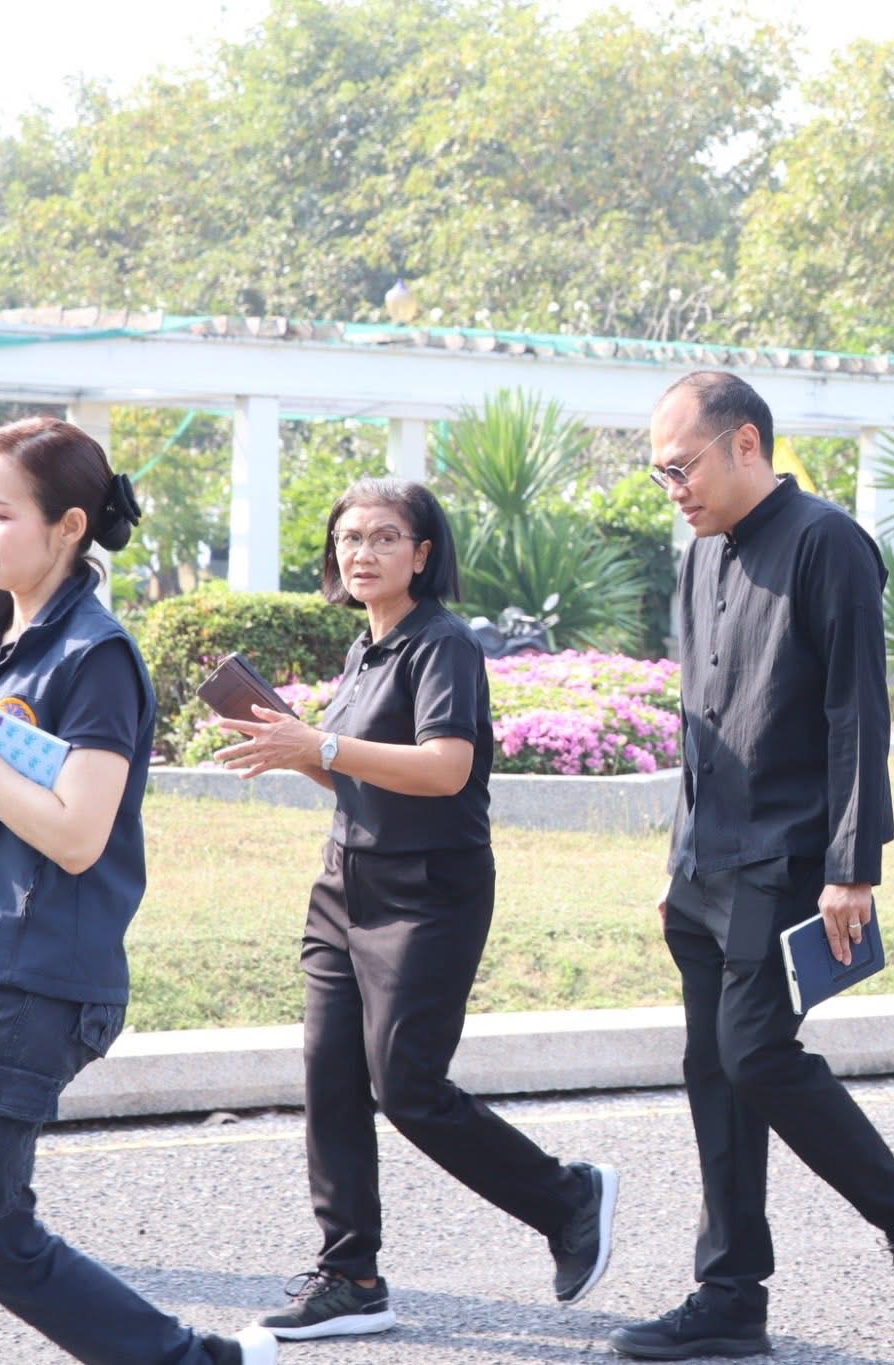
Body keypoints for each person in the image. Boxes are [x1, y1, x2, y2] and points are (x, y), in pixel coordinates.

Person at [610, 372, 894, 1361]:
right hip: (703, 861)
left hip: (789, 854)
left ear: (747, 445)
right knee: (711, 1071)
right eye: (657, 474)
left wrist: (852, 868)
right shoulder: (699, 554)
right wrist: (677, 856)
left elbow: (854, 713)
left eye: (681, 467)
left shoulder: (826, 543)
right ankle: (729, 1297)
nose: (671, 488)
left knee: (757, 1053)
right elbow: (700, 715)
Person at [219, 478, 616, 1340]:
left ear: (423, 554)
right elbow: (358, 768)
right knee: (330, 1079)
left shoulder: (445, 645)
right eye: (349, 537)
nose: (362, 553)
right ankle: (350, 1272)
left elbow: (443, 767)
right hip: (343, 884)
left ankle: (567, 1196)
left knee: (408, 1085)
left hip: (428, 890)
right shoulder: (368, 649)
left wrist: (319, 742)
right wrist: (297, 750)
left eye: (385, 538)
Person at [0, 417, 275, 1363]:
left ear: (68, 525)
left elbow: (77, 835)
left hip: (38, 977)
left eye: (1, 512)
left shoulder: (96, 657)